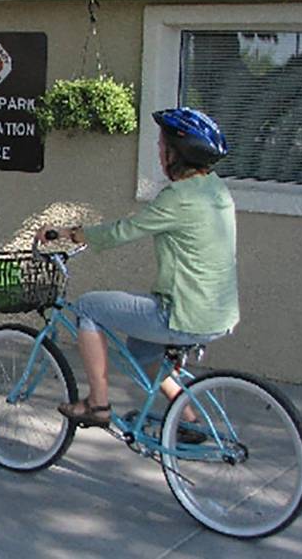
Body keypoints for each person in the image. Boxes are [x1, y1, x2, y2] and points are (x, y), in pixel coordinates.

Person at [38, 107, 238, 437]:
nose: (159, 152)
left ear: (177, 153)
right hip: (218, 314)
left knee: (88, 306)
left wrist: (72, 234)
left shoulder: (178, 197)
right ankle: (186, 417)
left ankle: (97, 405)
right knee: (141, 351)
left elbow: (123, 231)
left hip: (181, 315)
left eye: (162, 146)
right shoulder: (216, 190)